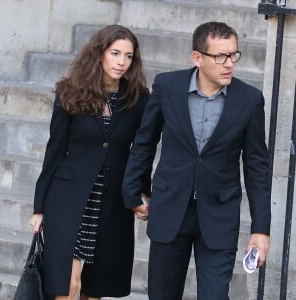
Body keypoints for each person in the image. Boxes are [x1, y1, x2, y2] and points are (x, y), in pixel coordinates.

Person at [122, 21, 271, 300]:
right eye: (220, 56)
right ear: (197, 58)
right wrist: (134, 192)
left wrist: (261, 229)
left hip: (219, 216)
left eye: (233, 55)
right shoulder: (167, 87)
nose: (229, 63)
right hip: (169, 209)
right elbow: (144, 142)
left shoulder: (249, 100)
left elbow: (257, 168)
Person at [30, 24, 150, 300]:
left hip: (111, 202)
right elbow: (54, 152)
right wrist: (39, 206)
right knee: (67, 285)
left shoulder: (139, 98)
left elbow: (141, 151)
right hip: (68, 197)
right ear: (100, 54)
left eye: (128, 56)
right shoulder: (70, 92)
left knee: (94, 289)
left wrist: (142, 192)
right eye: (115, 53)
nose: (121, 62)